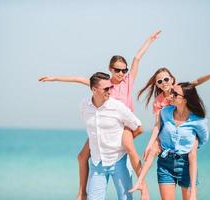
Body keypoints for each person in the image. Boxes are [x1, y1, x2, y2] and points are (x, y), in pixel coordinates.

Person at [39, 30, 161, 200]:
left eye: (124, 70)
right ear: (110, 69)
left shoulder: (128, 81)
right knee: (82, 156)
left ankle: (144, 189)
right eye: (118, 70)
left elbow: (137, 58)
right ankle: (82, 192)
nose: (122, 73)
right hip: (104, 127)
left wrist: (149, 40)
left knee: (131, 151)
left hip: (124, 125)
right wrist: (54, 78)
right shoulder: (104, 84)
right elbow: (77, 79)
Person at [129, 62, 210, 198]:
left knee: (192, 152)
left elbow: (196, 82)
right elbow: (157, 125)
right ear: (157, 85)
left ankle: (191, 191)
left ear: (172, 79)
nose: (164, 83)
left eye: (166, 79)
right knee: (152, 150)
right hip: (166, 134)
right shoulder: (160, 102)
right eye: (160, 81)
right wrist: (151, 143)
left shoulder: (180, 89)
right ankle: (140, 183)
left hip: (184, 138)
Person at [80, 72, 143, 200]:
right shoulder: (84, 106)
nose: (110, 91)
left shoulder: (117, 107)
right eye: (106, 88)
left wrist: (125, 142)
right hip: (97, 162)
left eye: (111, 87)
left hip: (118, 160)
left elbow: (138, 127)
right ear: (94, 89)